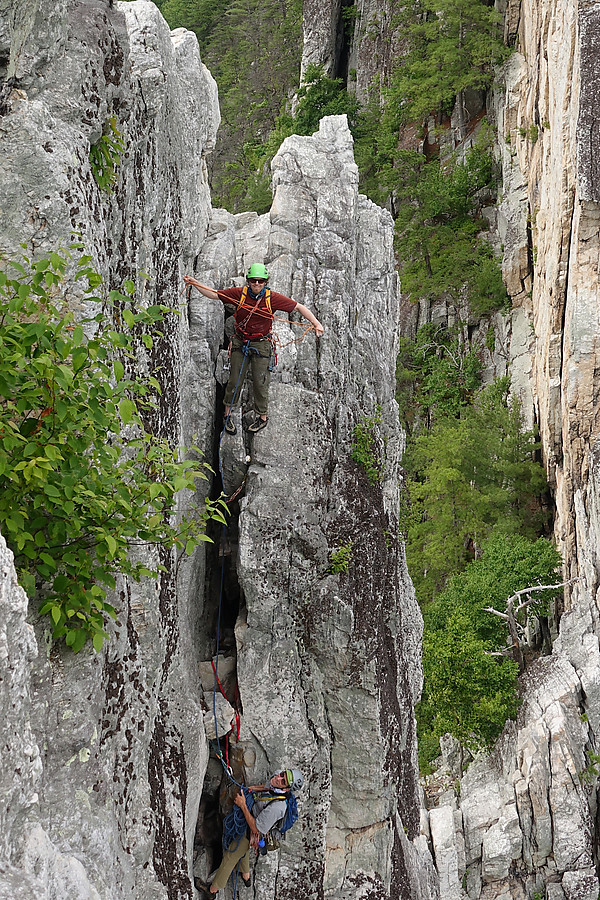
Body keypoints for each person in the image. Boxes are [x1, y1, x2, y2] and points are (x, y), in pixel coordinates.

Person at [184, 265, 324, 434]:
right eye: (253, 281)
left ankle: (262, 417)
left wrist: (316, 323)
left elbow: (299, 307)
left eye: (260, 281)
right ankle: (227, 416)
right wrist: (195, 283)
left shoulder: (272, 298)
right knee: (234, 380)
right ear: (248, 281)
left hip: (261, 343)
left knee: (261, 382)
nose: (257, 284)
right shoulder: (239, 294)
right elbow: (214, 294)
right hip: (241, 341)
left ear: (265, 282)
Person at [195, 768, 304, 896]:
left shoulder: (278, 807)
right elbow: (265, 787)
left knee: (231, 856)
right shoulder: (276, 782)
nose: (278, 778)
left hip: (254, 830)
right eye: (281, 775)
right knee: (243, 849)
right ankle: (246, 876)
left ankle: (212, 890)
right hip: (253, 818)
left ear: (287, 789)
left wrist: (243, 805)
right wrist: (250, 789)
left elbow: (256, 828)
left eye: (283, 780)